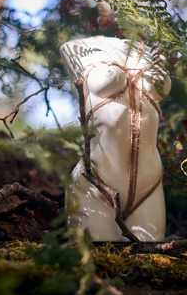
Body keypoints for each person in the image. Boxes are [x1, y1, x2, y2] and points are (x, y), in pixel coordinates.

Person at [60, 36, 171, 241]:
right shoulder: (74, 48)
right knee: (99, 264)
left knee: (151, 266)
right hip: (95, 184)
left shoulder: (147, 51)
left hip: (149, 186)